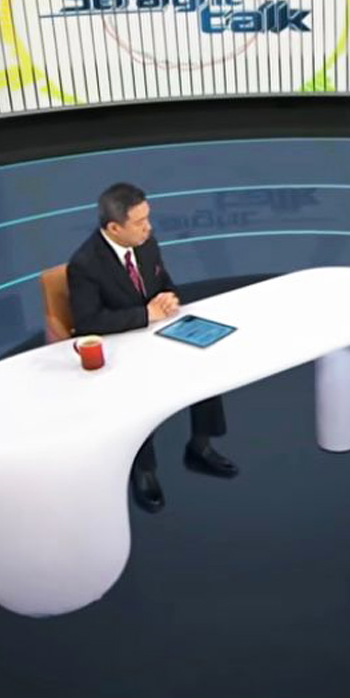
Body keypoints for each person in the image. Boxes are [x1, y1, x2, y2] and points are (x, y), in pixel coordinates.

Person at [67, 183, 239, 513]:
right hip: (121, 343)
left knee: (206, 365)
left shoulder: (145, 243)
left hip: (158, 332)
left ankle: (200, 446)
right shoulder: (85, 264)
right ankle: (144, 470)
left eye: (148, 218)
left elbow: (164, 282)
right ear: (114, 228)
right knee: (136, 395)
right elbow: (88, 322)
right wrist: (146, 314)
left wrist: (169, 297)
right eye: (140, 222)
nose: (149, 227)